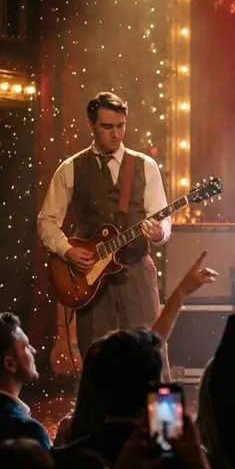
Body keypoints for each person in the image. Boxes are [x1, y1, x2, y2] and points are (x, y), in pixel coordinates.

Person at [37, 91, 171, 357]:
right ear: (90, 125)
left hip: (136, 270)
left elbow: (162, 218)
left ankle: (157, 402)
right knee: (98, 358)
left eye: (121, 126)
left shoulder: (145, 166)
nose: (116, 134)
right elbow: (46, 221)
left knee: (151, 354)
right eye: (107, 127)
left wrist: (159, 232)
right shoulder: (70, 168)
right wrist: (68, 251)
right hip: (91, 277)